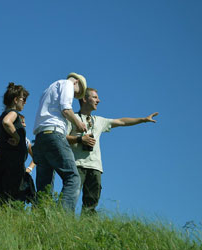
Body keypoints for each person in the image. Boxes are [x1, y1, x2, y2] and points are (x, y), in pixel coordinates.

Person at [66, 87, 158, 215]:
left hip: (95, 167)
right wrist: (81, 139)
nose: (99, 100)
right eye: (95, 97)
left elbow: (121, 121)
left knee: (91, 203)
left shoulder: (99, 121)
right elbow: (63, 138)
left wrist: (142, 119)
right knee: (71, 197)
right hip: (77, 165)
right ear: (84, 99)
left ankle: (87, 226)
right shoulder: (73, 118)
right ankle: (65, 221)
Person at [32, 72, 87, 213]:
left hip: (40, 137)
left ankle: (38, 220)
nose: (75, 97)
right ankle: (63, 218)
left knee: (44, 187)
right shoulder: (68, 84)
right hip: (54, 134)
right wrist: (78, 123)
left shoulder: (49, 89)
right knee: (73, 178)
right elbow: (66, 109)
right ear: (76, 83)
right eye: (77, 93)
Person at [0, 83, 33, 207]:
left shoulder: (1, 115)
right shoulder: (13, 113)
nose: (25, 102)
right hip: (12, 164)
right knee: (15, 199)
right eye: (23, 99)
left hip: (1, 162)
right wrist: (17, 137)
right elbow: (7, 122)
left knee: (1, 200)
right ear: (15, 99)